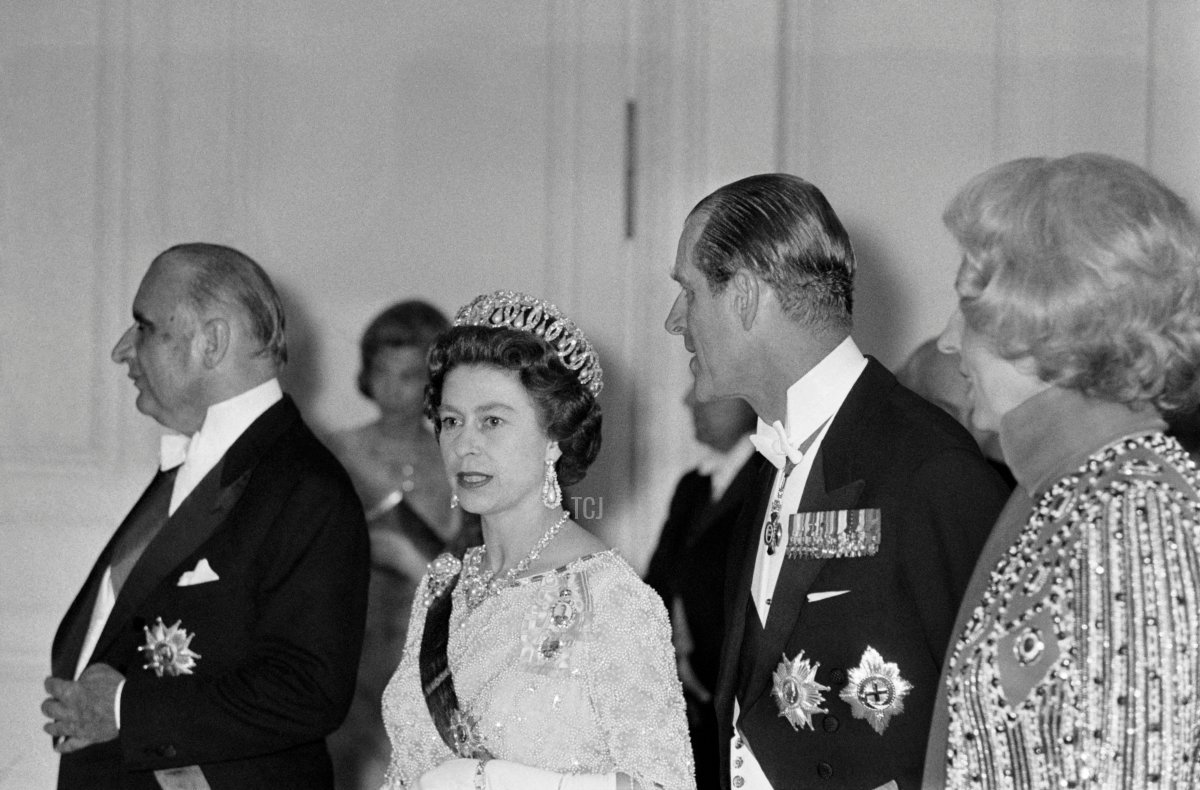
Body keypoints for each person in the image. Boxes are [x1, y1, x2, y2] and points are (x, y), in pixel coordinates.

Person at [664, 174, 1010, 790]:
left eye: (688, 292)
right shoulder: (773, 458)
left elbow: (995, 726)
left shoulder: (930, 468)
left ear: (743, 294)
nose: (674, 321)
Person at [42, 243, 370, 789]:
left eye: (144, 327)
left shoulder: (307, 487)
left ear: (212, 341)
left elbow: (307, 691)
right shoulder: (192, 465)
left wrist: (125, 709)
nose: (123, 350)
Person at [922, 154, 1200, 788]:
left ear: (1038, 317)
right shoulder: (1069, 490)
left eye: (966, 305)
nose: (945, 341)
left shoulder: (1136, 512)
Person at [380, 290, 695, 790]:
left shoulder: (609, 598)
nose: (465, 444)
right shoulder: (442, 588)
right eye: (450, 421)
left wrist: (495, 779)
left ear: (554, 437)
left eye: (493, 420)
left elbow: (663, 785)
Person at [326, 300, 460, 790]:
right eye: (381, 372)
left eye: (408, 375)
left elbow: (467, 559)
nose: (392, 389)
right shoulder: (338, 452)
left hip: (422, 643)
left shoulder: (454, 458)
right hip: (350, 636)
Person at [644, 390, 761, 790]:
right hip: (687, 714)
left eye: (704, 387)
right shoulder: (693, 486)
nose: (689, 400)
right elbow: (657, 582)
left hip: (741, 709)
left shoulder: (772, 478)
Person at [897, 338, 1014, 488]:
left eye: (976, 415)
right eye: (945, 415)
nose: (964, 432)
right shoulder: (871, 475)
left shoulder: (1014, 491)